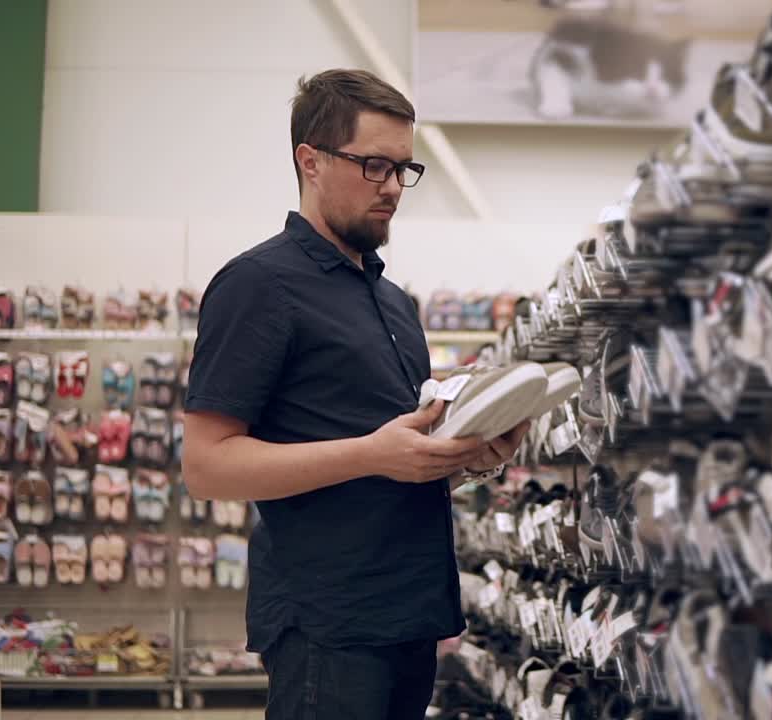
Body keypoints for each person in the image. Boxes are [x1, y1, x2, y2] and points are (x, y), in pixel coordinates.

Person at [182, 68, 528, 719]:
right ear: (309, 161)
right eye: (374, 165)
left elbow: (396, 461)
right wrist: (370, 454)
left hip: (413, 612)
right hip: (328, 625)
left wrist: (469, 455)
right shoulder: (259, 285)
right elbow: (206, 465)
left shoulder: (395, 304)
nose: (395, 188)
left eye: (404, 169)